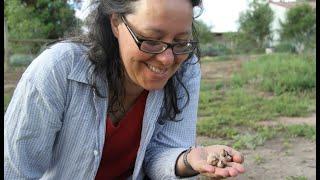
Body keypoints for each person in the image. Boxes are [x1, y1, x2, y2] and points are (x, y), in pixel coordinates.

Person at [4, 0, 245, 179]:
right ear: (117, 24)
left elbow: (160, 155)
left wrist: (187, 160)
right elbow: (15, 170)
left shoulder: (185, 67)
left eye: (181, 42)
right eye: (151, 40)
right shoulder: (58, 69)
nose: (167, 59)